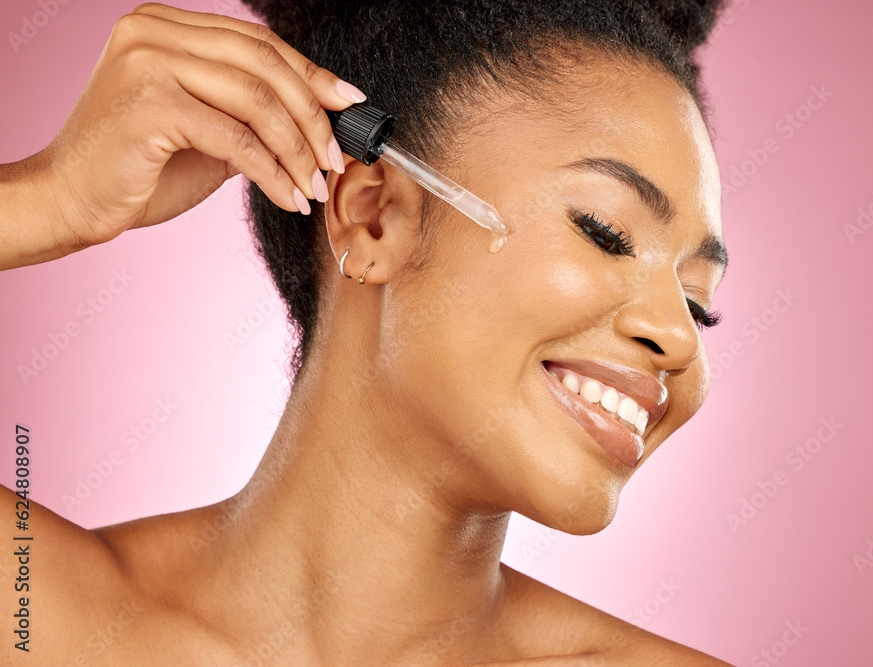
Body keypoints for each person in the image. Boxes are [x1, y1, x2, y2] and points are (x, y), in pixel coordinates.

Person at [0, 0, 733, 664]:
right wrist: (48, 198)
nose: (679, 336)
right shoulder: (38, 616)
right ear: (374, 216)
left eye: (697, 301)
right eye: (605, 231)